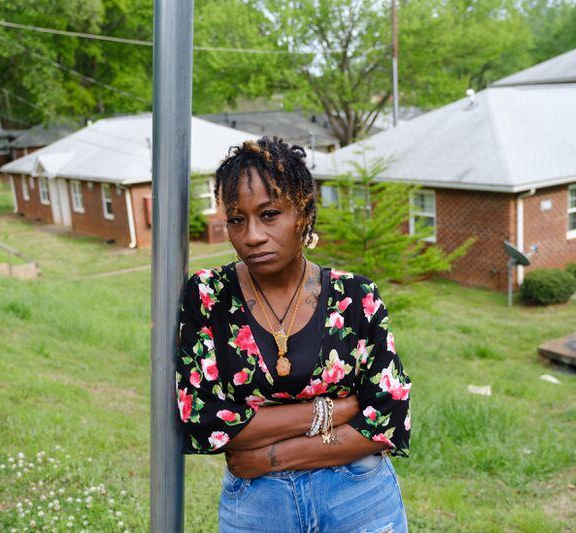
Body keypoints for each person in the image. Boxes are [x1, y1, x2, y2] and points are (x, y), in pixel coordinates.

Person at [175, 136, 412, 532]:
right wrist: (337, 410)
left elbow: (388, 419)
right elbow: (203, 421)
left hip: (357, 497)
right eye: (237, 219)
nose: (251, 235)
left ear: (302, 212)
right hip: (258, 508)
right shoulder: (209, 296)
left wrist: (268, 457)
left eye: (269, 214)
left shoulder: (356, 297)